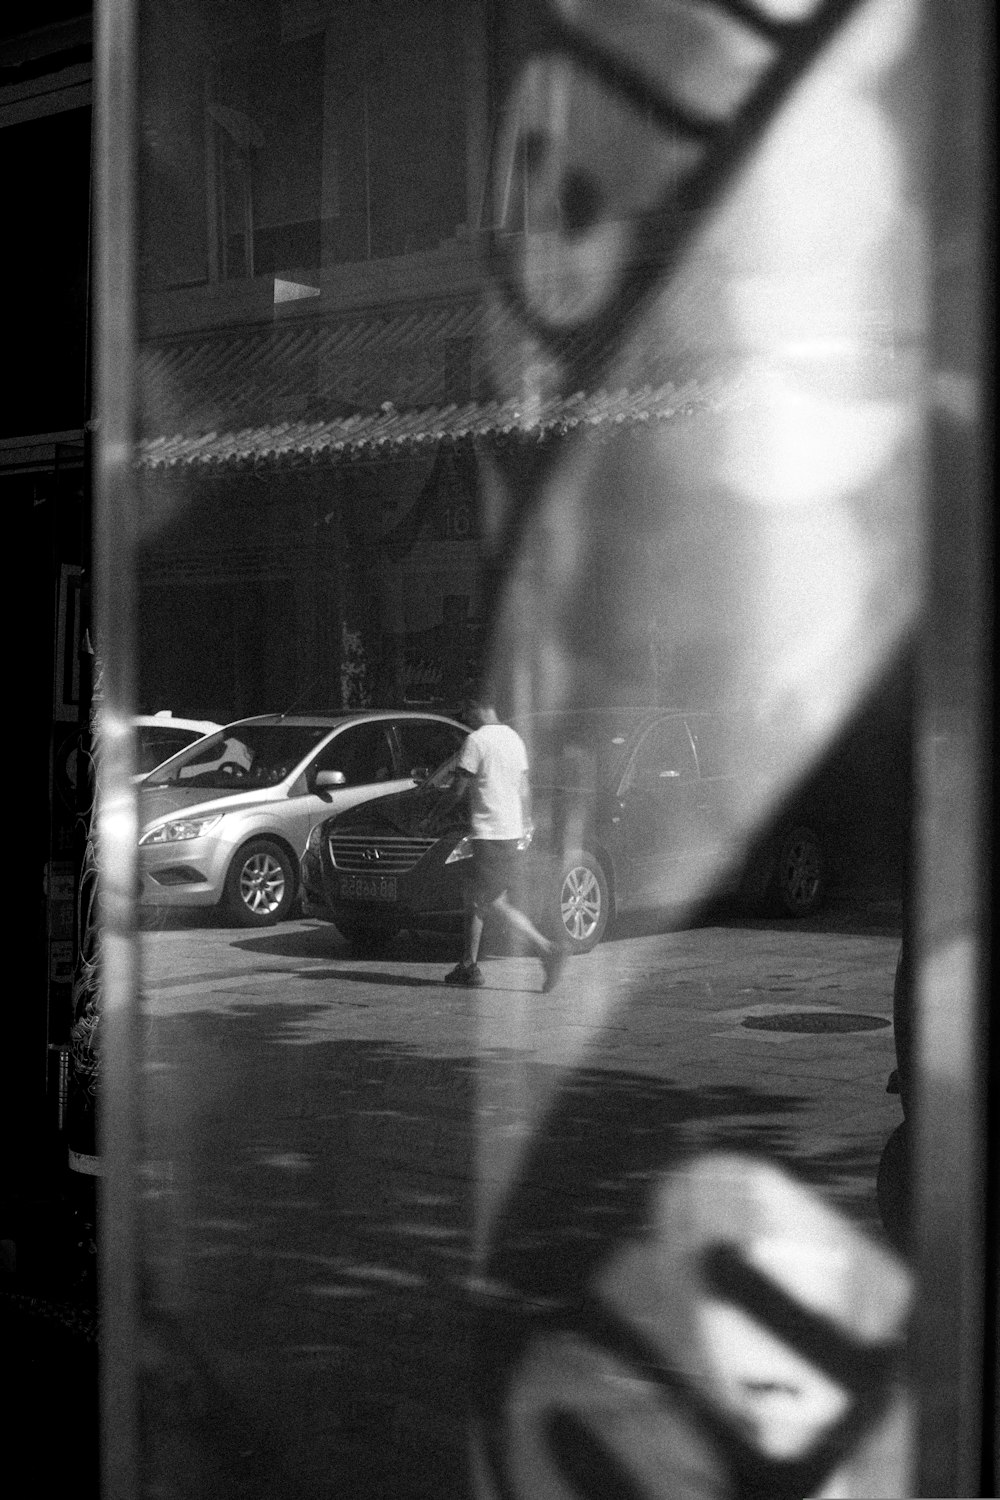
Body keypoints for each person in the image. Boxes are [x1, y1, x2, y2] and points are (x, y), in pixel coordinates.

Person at [444, 700, 567, 992]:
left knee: (489, 901)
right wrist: (526, 824)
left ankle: (547, 949)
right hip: (510, 833)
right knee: (477, 898)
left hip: (489, 834)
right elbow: (524, 788)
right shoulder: (514, 739)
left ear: (478, 707)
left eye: (466, 711)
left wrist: (434, 814)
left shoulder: (477, 741)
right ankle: (468, 965)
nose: (465, 718)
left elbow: (458, 788)